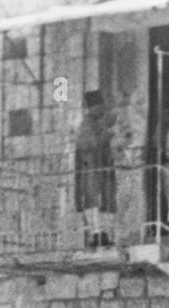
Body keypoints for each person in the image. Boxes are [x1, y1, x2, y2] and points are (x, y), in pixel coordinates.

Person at [74, 89, 118, 248]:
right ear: (93, 107)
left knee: (105, 199)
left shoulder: (98, 124)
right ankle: (96, 233)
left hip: (102, 168)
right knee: (93, 199)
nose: (102, 110)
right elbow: (89, 143)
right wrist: (106, 136)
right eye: (99, 107)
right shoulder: (86, 124)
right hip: (90, 168)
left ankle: (104, 232)